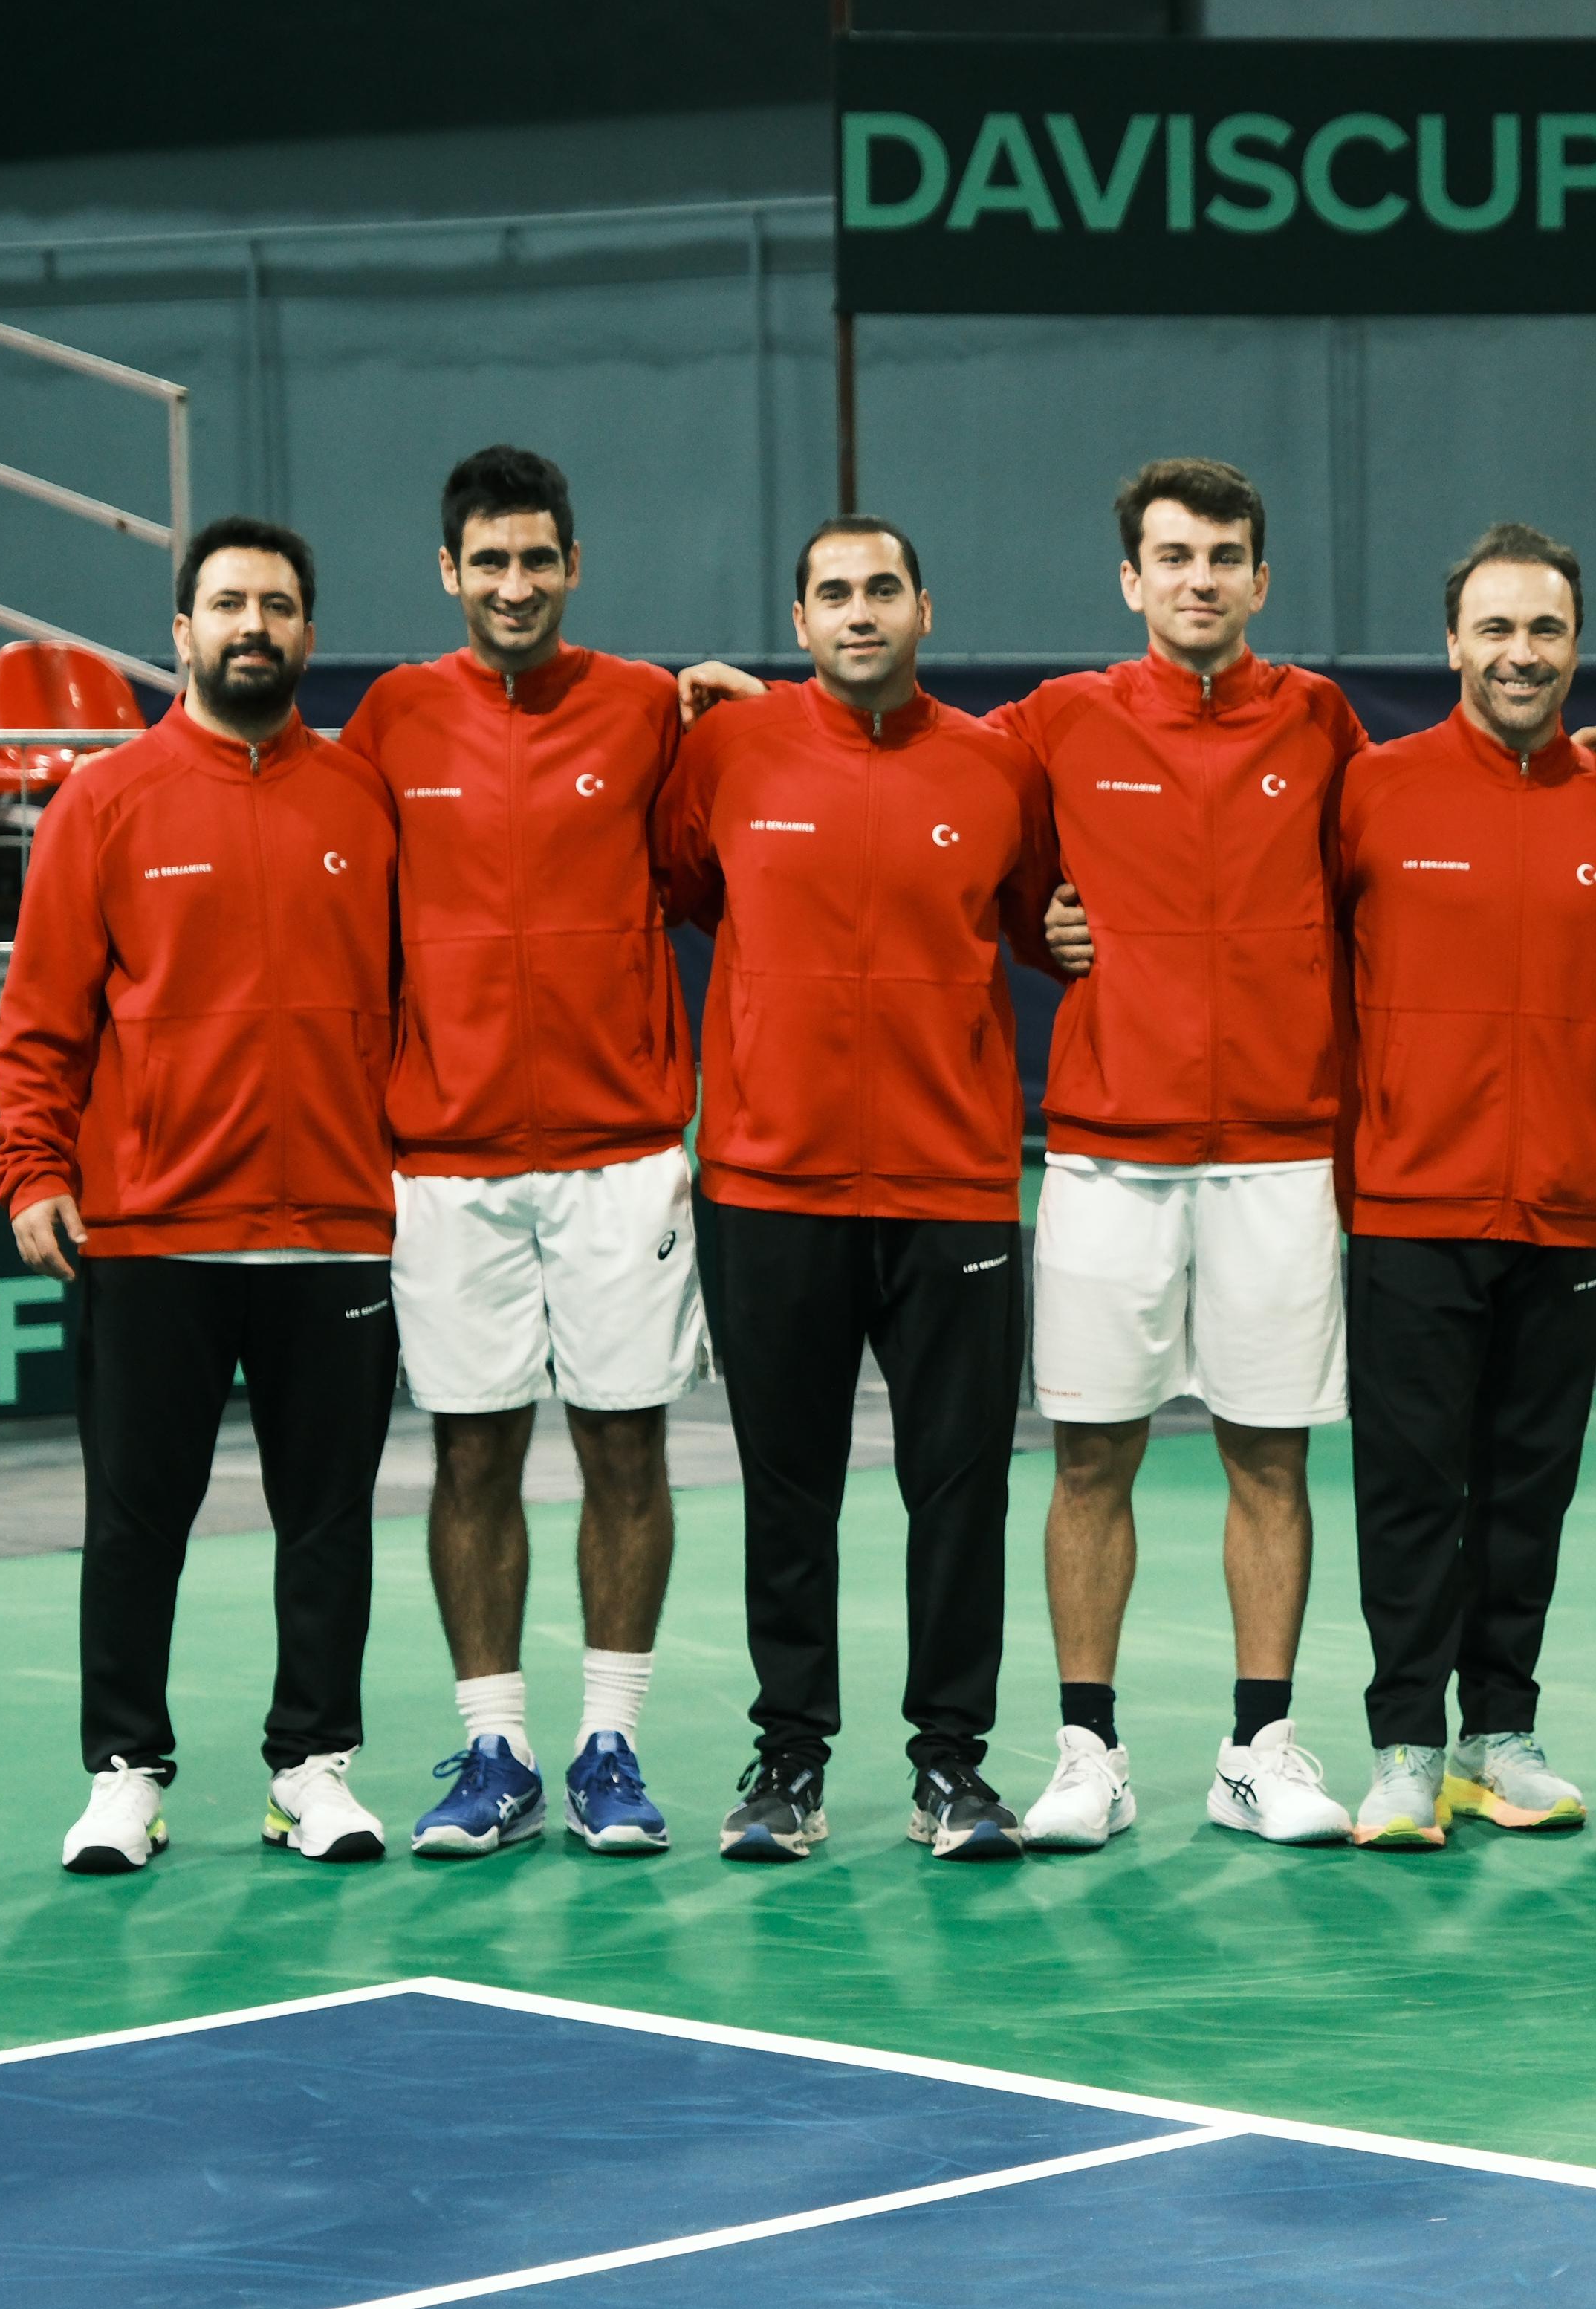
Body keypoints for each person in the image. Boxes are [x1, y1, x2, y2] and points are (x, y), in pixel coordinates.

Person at [0, 516, 402, 1875]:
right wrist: (34, 1168)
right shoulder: (103, 802)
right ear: (180, 631)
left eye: (278, 606)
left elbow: (417, 1001)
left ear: (307, 630)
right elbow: (41, 1020)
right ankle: (124, 1772)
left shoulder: (364, 798)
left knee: (329, 1518)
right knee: (134, 1517)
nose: (253, 626)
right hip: (153, 1230)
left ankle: (313, 1768)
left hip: (333, 1226)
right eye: (227, 603)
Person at [658, 516, 1057, 1864]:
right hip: (770, 1186)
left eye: (883, 588)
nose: (860, 611)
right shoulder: (725, 751)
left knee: (960, 1491)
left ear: (925, 608)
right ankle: (789, 1764)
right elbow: (690, 888)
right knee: (790, 1488)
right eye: (834, 593)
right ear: (801, 617)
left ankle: (953, 1766)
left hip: (954, 1191)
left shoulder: (1000, 767)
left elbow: (1045, 920)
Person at [999, 459, 1369, 1850]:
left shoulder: (1324, 720)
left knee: (1269, 1460)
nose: (1199, 577)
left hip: (1280, 1153)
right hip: (1107, 1152)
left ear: (1260, 580)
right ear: (1130, 580)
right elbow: (944, 818)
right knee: (1092, 1456)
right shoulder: (1056, 722)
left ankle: (1257, 1744)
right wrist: (1039, 923)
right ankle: (1087, 1750)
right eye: (1173, 555)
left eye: (1225, 556)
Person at [346, 446, 701, 1862]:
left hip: (621, 1150)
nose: (513, 585)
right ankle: (494, 1747)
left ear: (572, 566)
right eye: (487, 562)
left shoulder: (644, 708)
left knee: (627, 1446)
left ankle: (609, 1743)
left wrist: (738, 699)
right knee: (472, 1452)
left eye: (536, 559)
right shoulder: (389, 718)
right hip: (448, 1159)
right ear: (448, 571)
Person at [1329, 522, 1596, 1848]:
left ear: (1575, 645)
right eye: (1495, 629)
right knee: (1413, 1490)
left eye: (1544, 631)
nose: (1520, 654)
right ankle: (1406, 1746)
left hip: (1566, 1208)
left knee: (1530, 1487)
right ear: (1452, 643)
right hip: (1412, 1205)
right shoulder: (1370, 790)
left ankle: (1498, 1735)